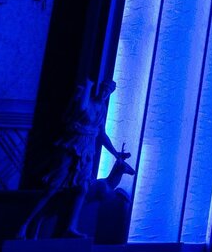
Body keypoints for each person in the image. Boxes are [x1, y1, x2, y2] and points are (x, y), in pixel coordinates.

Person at [17, 78, 131, 239]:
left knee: (82, 188)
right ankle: (24, 224)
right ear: (99, 88)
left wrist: (115, 153)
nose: (105, 93)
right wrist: (87, 89)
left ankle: (70, 227)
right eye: (104, 88)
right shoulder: (85, 101)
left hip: (87, 151)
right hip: (72, 147)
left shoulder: (102, 108)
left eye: (109, 91)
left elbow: (102, 134)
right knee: (52, 189)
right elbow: (83, 109)